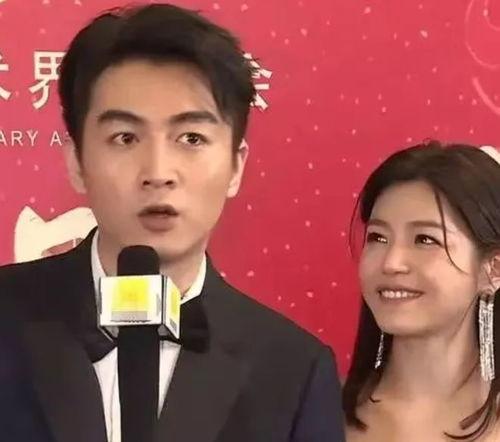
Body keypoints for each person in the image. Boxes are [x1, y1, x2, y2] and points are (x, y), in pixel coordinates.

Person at [0, 4, 344, 442]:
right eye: (125, 137)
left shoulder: (293, 370)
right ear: (77, 162)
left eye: (191, 138)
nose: (158, 172)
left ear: (236, 166)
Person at [343, 141, 500, 441]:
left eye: (425, 240)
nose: (391, 263)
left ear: (493, 269)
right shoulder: (314, 409)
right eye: (378, 237)